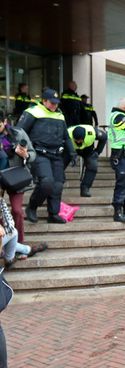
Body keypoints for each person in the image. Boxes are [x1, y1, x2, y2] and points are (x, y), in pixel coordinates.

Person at [19, 88, 76, 225]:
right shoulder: (32, 112)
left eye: (56, 103)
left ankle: (53, 214)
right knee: (46, 183)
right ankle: (32, 207)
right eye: (52, 103)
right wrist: (23, 149)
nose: (54, 105)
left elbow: (66, 137)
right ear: (44, 101)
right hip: (39, 153)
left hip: (56, 155)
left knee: (57, 185)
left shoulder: (59, 115)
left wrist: (72, 152)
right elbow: (20, 131)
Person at [0, 119, 47, 260]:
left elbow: (32, 154)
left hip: (15, 177)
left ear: (5, 122)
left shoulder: (18, 133)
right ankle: (6, 247)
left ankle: (19, 244)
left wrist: (25, 155)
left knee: (17, 210)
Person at [68, 124, 107, 198]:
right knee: (60, 164)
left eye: (80, 140)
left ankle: (85, 188)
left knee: (93, 166)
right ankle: (56, 188)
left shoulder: (91, 132)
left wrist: (97, 152)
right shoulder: (67, 133)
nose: (79, 141)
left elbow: (104, 137)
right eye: (77, 140)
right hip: (71, 150)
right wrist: (71, 155)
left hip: (88, 150)